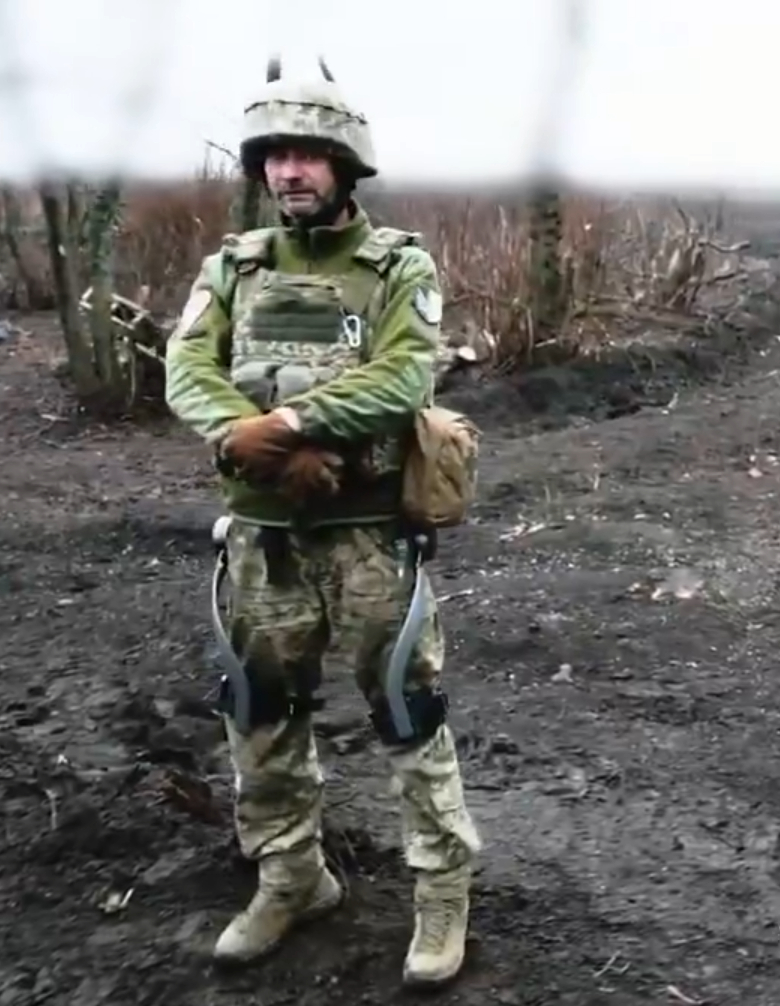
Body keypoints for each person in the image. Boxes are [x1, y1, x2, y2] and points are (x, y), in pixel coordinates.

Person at [164, 58, 481, 985]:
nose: (290, 171)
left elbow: (403, 375)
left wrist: (293, 422)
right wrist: (252, 444)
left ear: (345, 166)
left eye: (308, 154)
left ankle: (441, 888)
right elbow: (188, 368)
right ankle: (291, 876)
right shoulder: (233, 268)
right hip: (260, 538)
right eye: (275, 156)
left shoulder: (398, 266)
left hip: (368, 532)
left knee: (406, 708)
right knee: (259, 712)